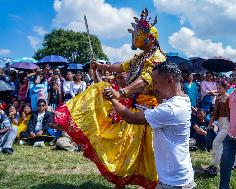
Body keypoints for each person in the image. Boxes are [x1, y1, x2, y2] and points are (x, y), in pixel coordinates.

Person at [54, 8, 166, 188]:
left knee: (149, 159)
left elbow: (145, 80)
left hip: (149, 116)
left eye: (138, 33)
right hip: (133, 109)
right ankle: (119, 183)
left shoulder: (157, 57)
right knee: (122, 152)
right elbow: (121, 66)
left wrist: (121, 92)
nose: (135, 36)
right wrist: (101, 66)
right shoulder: (140, 56)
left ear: (150, 37)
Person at [103, 61, 196, 189]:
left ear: (169, 80)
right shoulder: (183, 99)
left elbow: (130, 117)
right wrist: (155, 93)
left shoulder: (171, 109)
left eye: (156, 82)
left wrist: (112, 98)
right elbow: (162, 102)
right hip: (176, 176)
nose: (154, 86)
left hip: (175, 182)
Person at [204, 80, 236, 176]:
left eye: (220, 88)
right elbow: (215, 113)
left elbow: (234, 113)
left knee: (217, 143)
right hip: (221, 123)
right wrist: (210, 123)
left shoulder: (230, 98)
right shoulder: (218, 99)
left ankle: (215, 165)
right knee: (229, 145)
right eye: (217, 88)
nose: (218, 89)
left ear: (226, 88)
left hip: (228, 124)